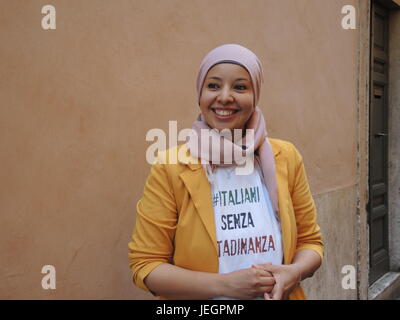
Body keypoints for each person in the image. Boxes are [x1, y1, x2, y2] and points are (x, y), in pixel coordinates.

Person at [128, 44, 323, 300]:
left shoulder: (285, 157)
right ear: (200, 93)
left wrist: (294, 272)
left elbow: (311, 242)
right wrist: (225, 286)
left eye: (240, 87)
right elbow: (146, 266)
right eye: (213, 86)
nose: (225, 97)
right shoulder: (171, 167)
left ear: (256, 95)